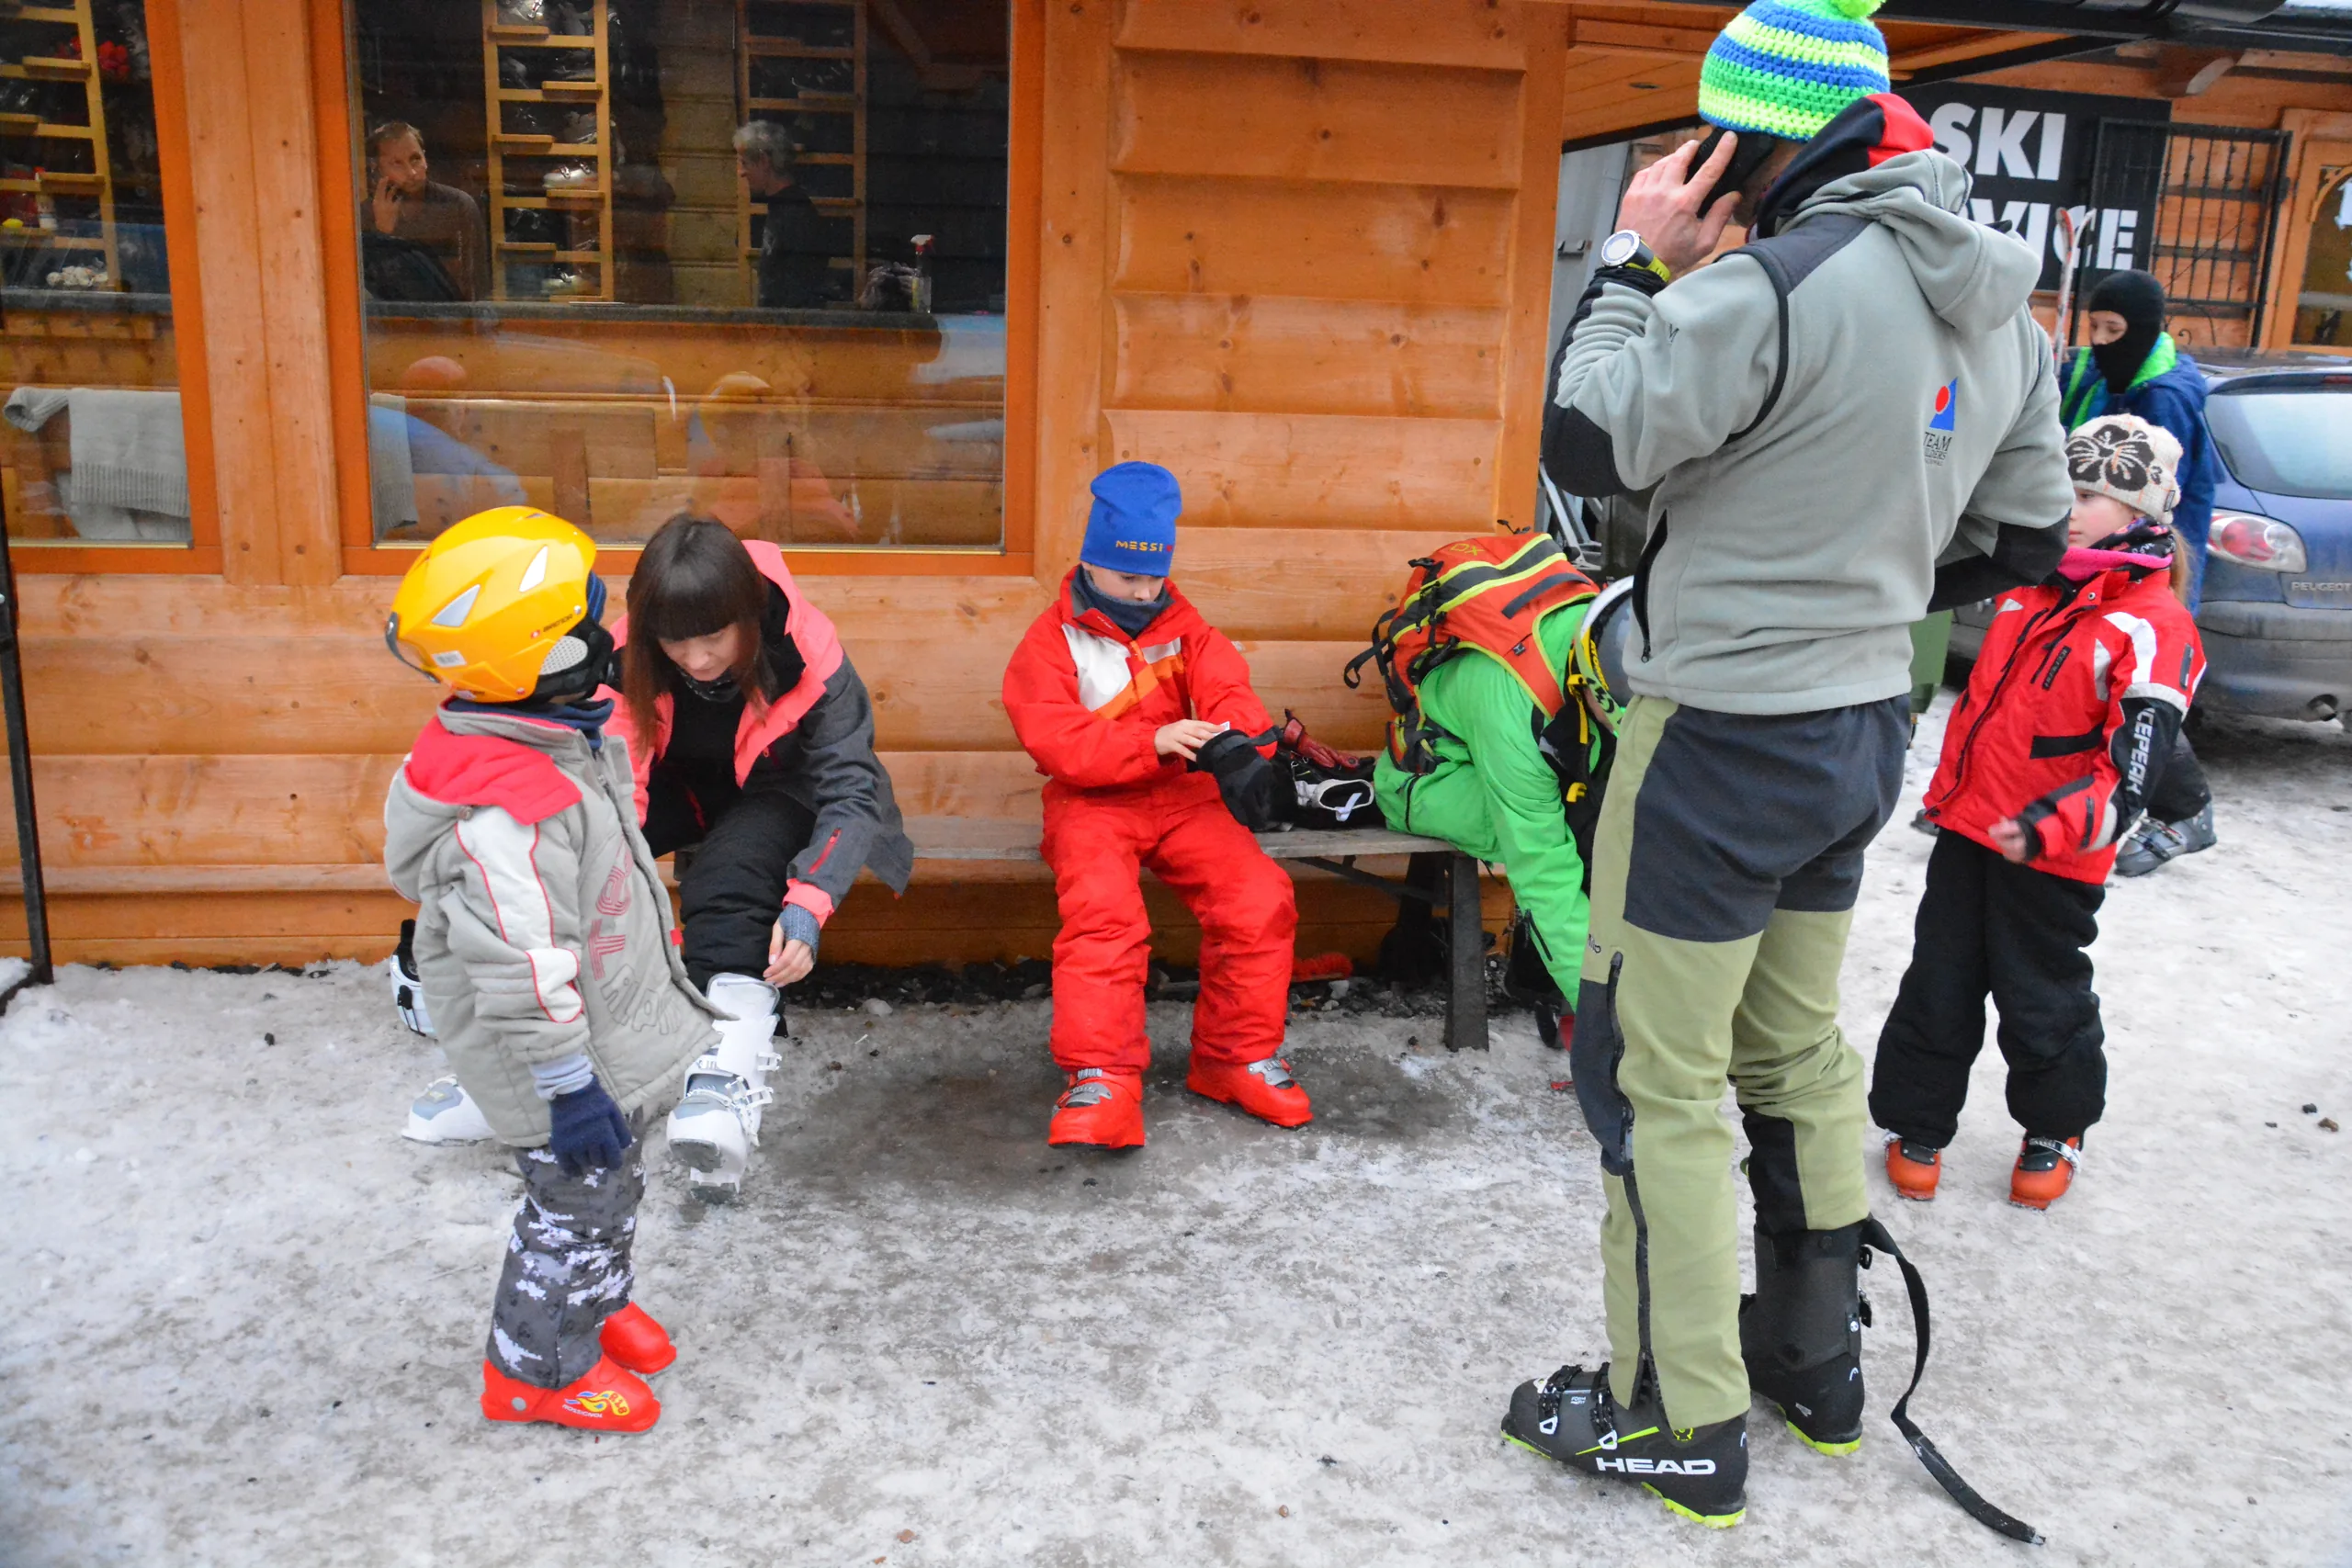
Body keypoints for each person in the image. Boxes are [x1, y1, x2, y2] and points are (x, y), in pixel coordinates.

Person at [1498, 0, 2075, 1531]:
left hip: (1718, 745)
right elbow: (2028, 536)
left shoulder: (1768, 286)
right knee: (1793, 1047)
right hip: (1862, 729)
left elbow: (1585, 442)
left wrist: (1632, 264)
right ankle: (1814, 1364)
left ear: (1750, 138)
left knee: (1651, 1077)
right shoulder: (1998, 304)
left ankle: (1675, 1413)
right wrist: (1858, 587)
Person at [401, 514, 913, 1204]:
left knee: (730, 874)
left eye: (714, 638)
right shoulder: (621, 655)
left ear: (748, 615)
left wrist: (810, 900)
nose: (696, 659)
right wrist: (612, 880)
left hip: (785, 791)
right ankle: (524, 1069)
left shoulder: (808, 648)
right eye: (676, 641)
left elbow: (852, 787)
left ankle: (727, 1070)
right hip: (680, 787)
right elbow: (614, 784)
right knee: (567, 853)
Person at [382, 506, 725, 1434]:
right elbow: (521, 962)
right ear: (535, 661)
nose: (608, 636)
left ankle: (595, 1303)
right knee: (574, 1201)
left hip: (591, 1029)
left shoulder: (548, 735)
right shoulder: (510, 809)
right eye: (584, 623)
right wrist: (568, 1087)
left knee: (612, 1184)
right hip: (550, 1056)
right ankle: (534, 1369)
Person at [1871, 416, 2205, 1210]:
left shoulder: (2154, 626)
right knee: (1939, 982)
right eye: (2066, 488)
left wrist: (2047, 827)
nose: (2071, 506)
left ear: (2141, 514)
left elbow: (2130, 777)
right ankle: (1918, 1122)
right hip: (1969, 829)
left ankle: (2056, 1128)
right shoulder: (2029, 585)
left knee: (2041, 997)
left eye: (2091, 495)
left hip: (2054, 854)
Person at [1000, 461, 1311, 1149]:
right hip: (1091, 802)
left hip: (1183, 797)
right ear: (1091, 561)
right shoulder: (1052, 640)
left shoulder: (1185, 625)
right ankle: (1102, 1077)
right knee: (1104, 917)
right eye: (1127, 576)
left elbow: (1228, 687)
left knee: (1259, 898)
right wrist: (1152, 742)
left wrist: (1240, 749)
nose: (1144, 591)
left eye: (1154, 577)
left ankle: (1235, 1057)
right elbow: (1056, 738)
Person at [1369, 536, 1611, 1048]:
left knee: (1615, 818)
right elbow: (1545, 871)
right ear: (1591, 687)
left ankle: (1586, 980)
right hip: (1429, 781)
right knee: (1569, 839)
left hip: (1517, 762)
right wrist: (1611, 1024)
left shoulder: (1611, 637)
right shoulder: (1513, 702)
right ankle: (1579, 996)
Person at [2058, 270, 2219, 877]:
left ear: (2144, 330)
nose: (2101, 342)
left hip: (2145, 560)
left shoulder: (2163, 398)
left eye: (2114, 330)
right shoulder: (2106, 374)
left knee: (2133, 685)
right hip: (2097, 549)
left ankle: (2186, 810)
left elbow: (2148, 499)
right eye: (2095, 327)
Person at [363, 121, 487, 301]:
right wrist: (382, 234)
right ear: (377, 168)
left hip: (452, 310)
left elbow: (477, 282)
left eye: (415, 159)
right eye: (397, 163)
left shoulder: (457, 205)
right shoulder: (365, 214)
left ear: (425, 158)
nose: (412, 172)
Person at [735, 121, 831, 310]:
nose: (741, 172)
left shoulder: (796, 215)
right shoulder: (780, 207)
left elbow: (799, 292)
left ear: (764, 161)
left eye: (745, 163)